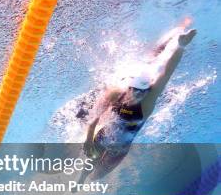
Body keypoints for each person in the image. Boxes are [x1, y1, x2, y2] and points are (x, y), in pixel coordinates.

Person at [80, 24, 197, 182]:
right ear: (128, 87)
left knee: (97, 177)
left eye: (142, 91)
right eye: (135, 90)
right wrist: (88, 138)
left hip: (120, 150)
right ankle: (81, 178)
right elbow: (95, 115)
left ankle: (87, 181)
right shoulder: (116, 93)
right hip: (102, 138)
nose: (138, 95)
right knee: (87, 166)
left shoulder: (146, 104)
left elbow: (166, 73)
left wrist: (181, 46)